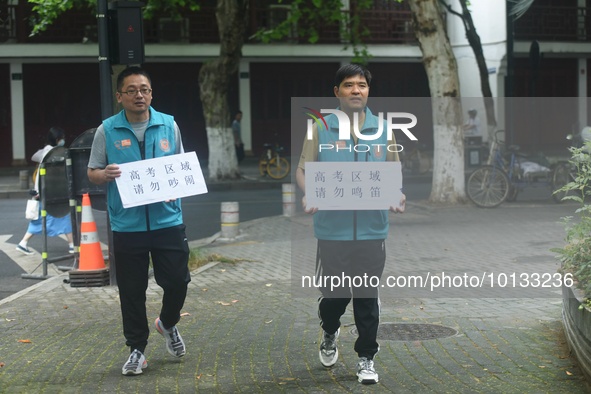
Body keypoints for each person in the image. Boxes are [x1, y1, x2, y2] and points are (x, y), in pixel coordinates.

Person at [295, 64, 405, 385]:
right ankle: (329, 327)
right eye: (348, 85)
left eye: (361, 85)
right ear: (337, 92)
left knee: (366, 294)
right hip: (332, 230)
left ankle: (366, 356)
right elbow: (303, 170)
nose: (356, 90)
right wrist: (311, 193)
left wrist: (396, 195)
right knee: (335, 295)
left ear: (368, 91)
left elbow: (392, 171)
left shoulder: (385, 129)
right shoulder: (320, 129)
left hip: (372, 229)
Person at [87, 66, 191, 376]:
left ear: (151, 93)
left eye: (144, 89)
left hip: (167, 222)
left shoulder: (169, 126)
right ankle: (137, 349)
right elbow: (92, 172)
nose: (139, 95)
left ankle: (168, 323)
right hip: (127, 226)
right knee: (131, 291)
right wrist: (104, 175)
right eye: (131, 90)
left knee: (177, 281)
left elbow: (181, 167)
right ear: (119, 97)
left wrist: (178, 189)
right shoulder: (107, 130)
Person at [16, 127, 74, 255]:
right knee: (62, 216)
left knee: (41, 220)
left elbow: (35, 160)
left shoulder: (44, 152)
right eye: (62, 138)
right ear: (58, 139)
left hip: (43, 192)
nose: (63, 140)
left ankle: (23, 243)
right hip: (52, 192)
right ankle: (71, 245)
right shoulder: (57, 153)